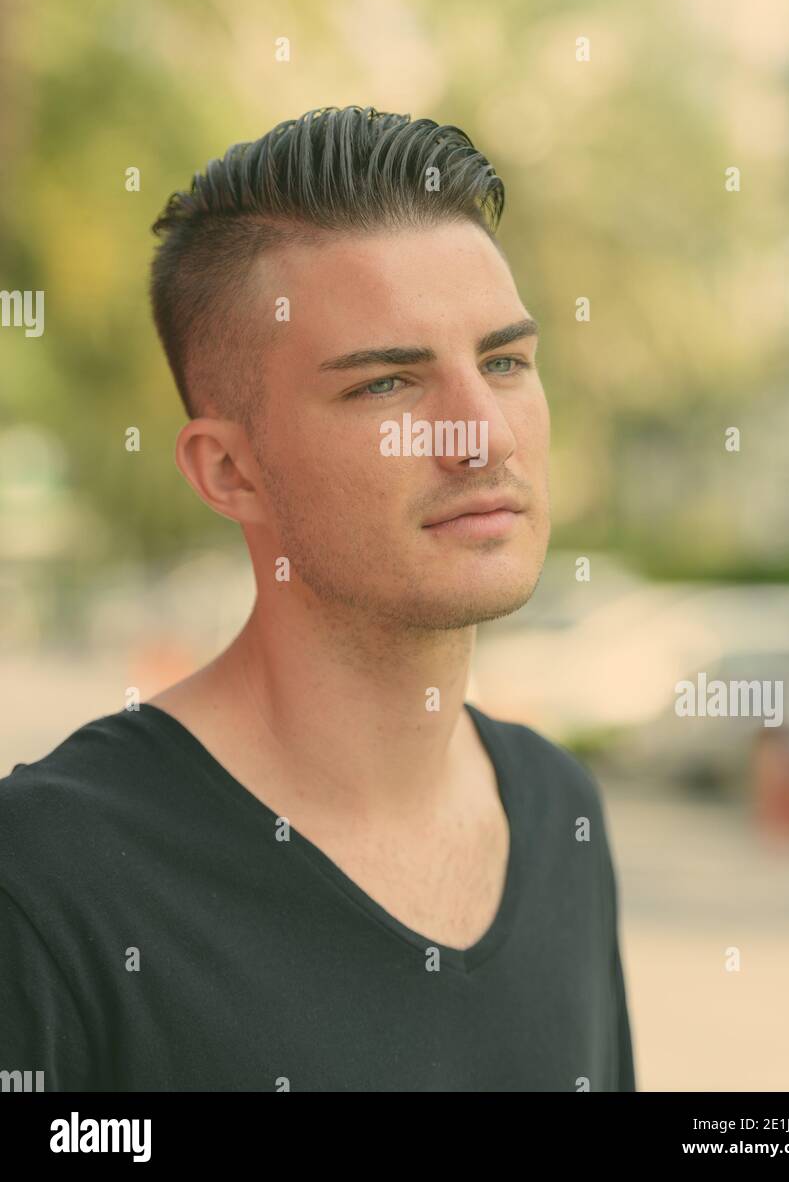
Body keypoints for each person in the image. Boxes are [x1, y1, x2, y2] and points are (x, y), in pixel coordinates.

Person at [0, 106, 636, 1091]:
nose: (485, 436)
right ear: (230, 471)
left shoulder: (561, 812)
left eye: (504, 361)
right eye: (389, 385)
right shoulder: (47, 879)